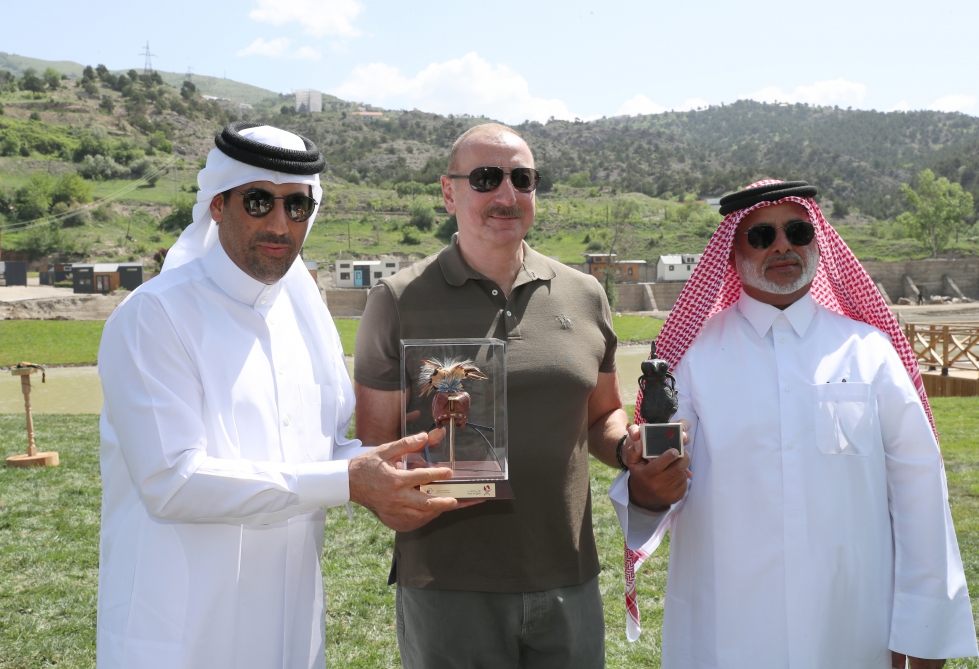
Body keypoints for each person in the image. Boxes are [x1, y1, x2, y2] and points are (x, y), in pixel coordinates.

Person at [97, 122, 460, 669]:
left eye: (297, 206)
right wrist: (348, 480)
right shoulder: (154, 316)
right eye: (258, 201)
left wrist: (398, 467)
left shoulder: (304, 315)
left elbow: (320, 452)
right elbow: (172, 481)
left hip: (289, 630)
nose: (278, 223)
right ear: (217, 204)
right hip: (182, 634)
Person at [612, 180, 978, 668]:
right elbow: (659, 480)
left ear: (816, 242)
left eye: (798, 232)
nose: (782, 245)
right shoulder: (693, 357)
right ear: (733, 251)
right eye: (762, 235)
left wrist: (924, 634)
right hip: (726, 625)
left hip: (851, 623)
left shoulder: (869, 351)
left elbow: (920, 493)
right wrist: (647, 490)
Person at [354, 123, 627, 668]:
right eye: (485, 178)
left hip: (567, 576)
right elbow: (375, 445)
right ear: (448, 191)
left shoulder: (585, 293)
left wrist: (627, 448)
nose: (507, 194)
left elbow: (604, 415)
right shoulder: (398, 299)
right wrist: (395, 496)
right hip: (449, 586)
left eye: (522, 179)